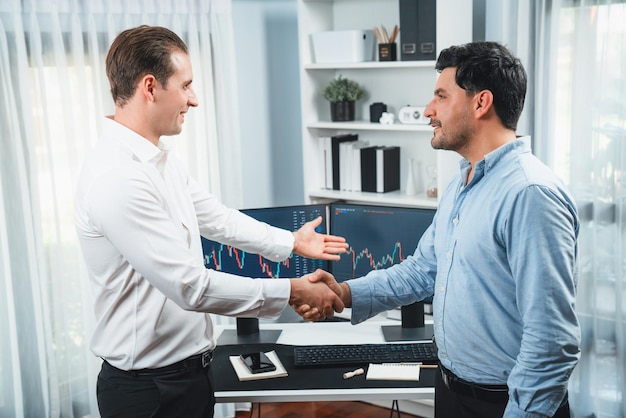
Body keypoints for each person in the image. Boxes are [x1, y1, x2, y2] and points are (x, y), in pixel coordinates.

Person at [74, 25, 347, 418]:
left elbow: (216, 218)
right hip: (148, 392)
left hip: (189, 375)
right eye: (186, 86)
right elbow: (190, 286)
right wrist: (291, 291)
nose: (194, 99)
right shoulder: (117, 178)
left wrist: (291, 243)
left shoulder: (158, 160)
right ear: (150, 87)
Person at [303, 41, 581, 418]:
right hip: (452, 392)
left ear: (480, 103)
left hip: (505, 405)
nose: (428, 110)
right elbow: (423, 270)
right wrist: (346, 292)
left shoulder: (529, 194)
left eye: (440, 96)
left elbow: (552, 341)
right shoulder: (463, 180)